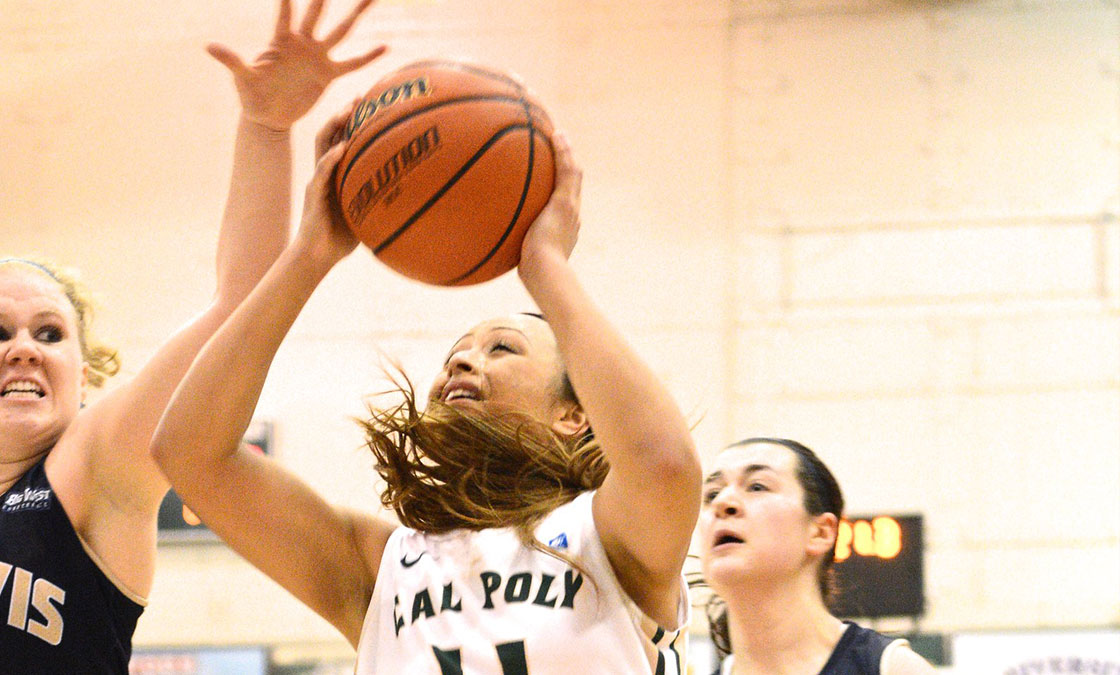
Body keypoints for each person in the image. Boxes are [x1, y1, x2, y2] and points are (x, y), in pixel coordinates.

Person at [0, 1, 384, 671]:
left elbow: (237, 305)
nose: (24, 346)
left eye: (50, 333)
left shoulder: (94, 468)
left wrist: (264, 128)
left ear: (83, 374)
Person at [149, 115, 702, 673]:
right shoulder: (381, 562)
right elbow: (190, 452)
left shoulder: (607, 533)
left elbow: (665, 463)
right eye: (455, 354)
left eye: (502, 349)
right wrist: (310, 252)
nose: (461, 360)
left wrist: (546, 267)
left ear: (573, 414)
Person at [697, 437, 935, 675]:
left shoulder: (893, 668)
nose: (722, 502)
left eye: (757, 486)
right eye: (712, 494)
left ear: (821, 532)